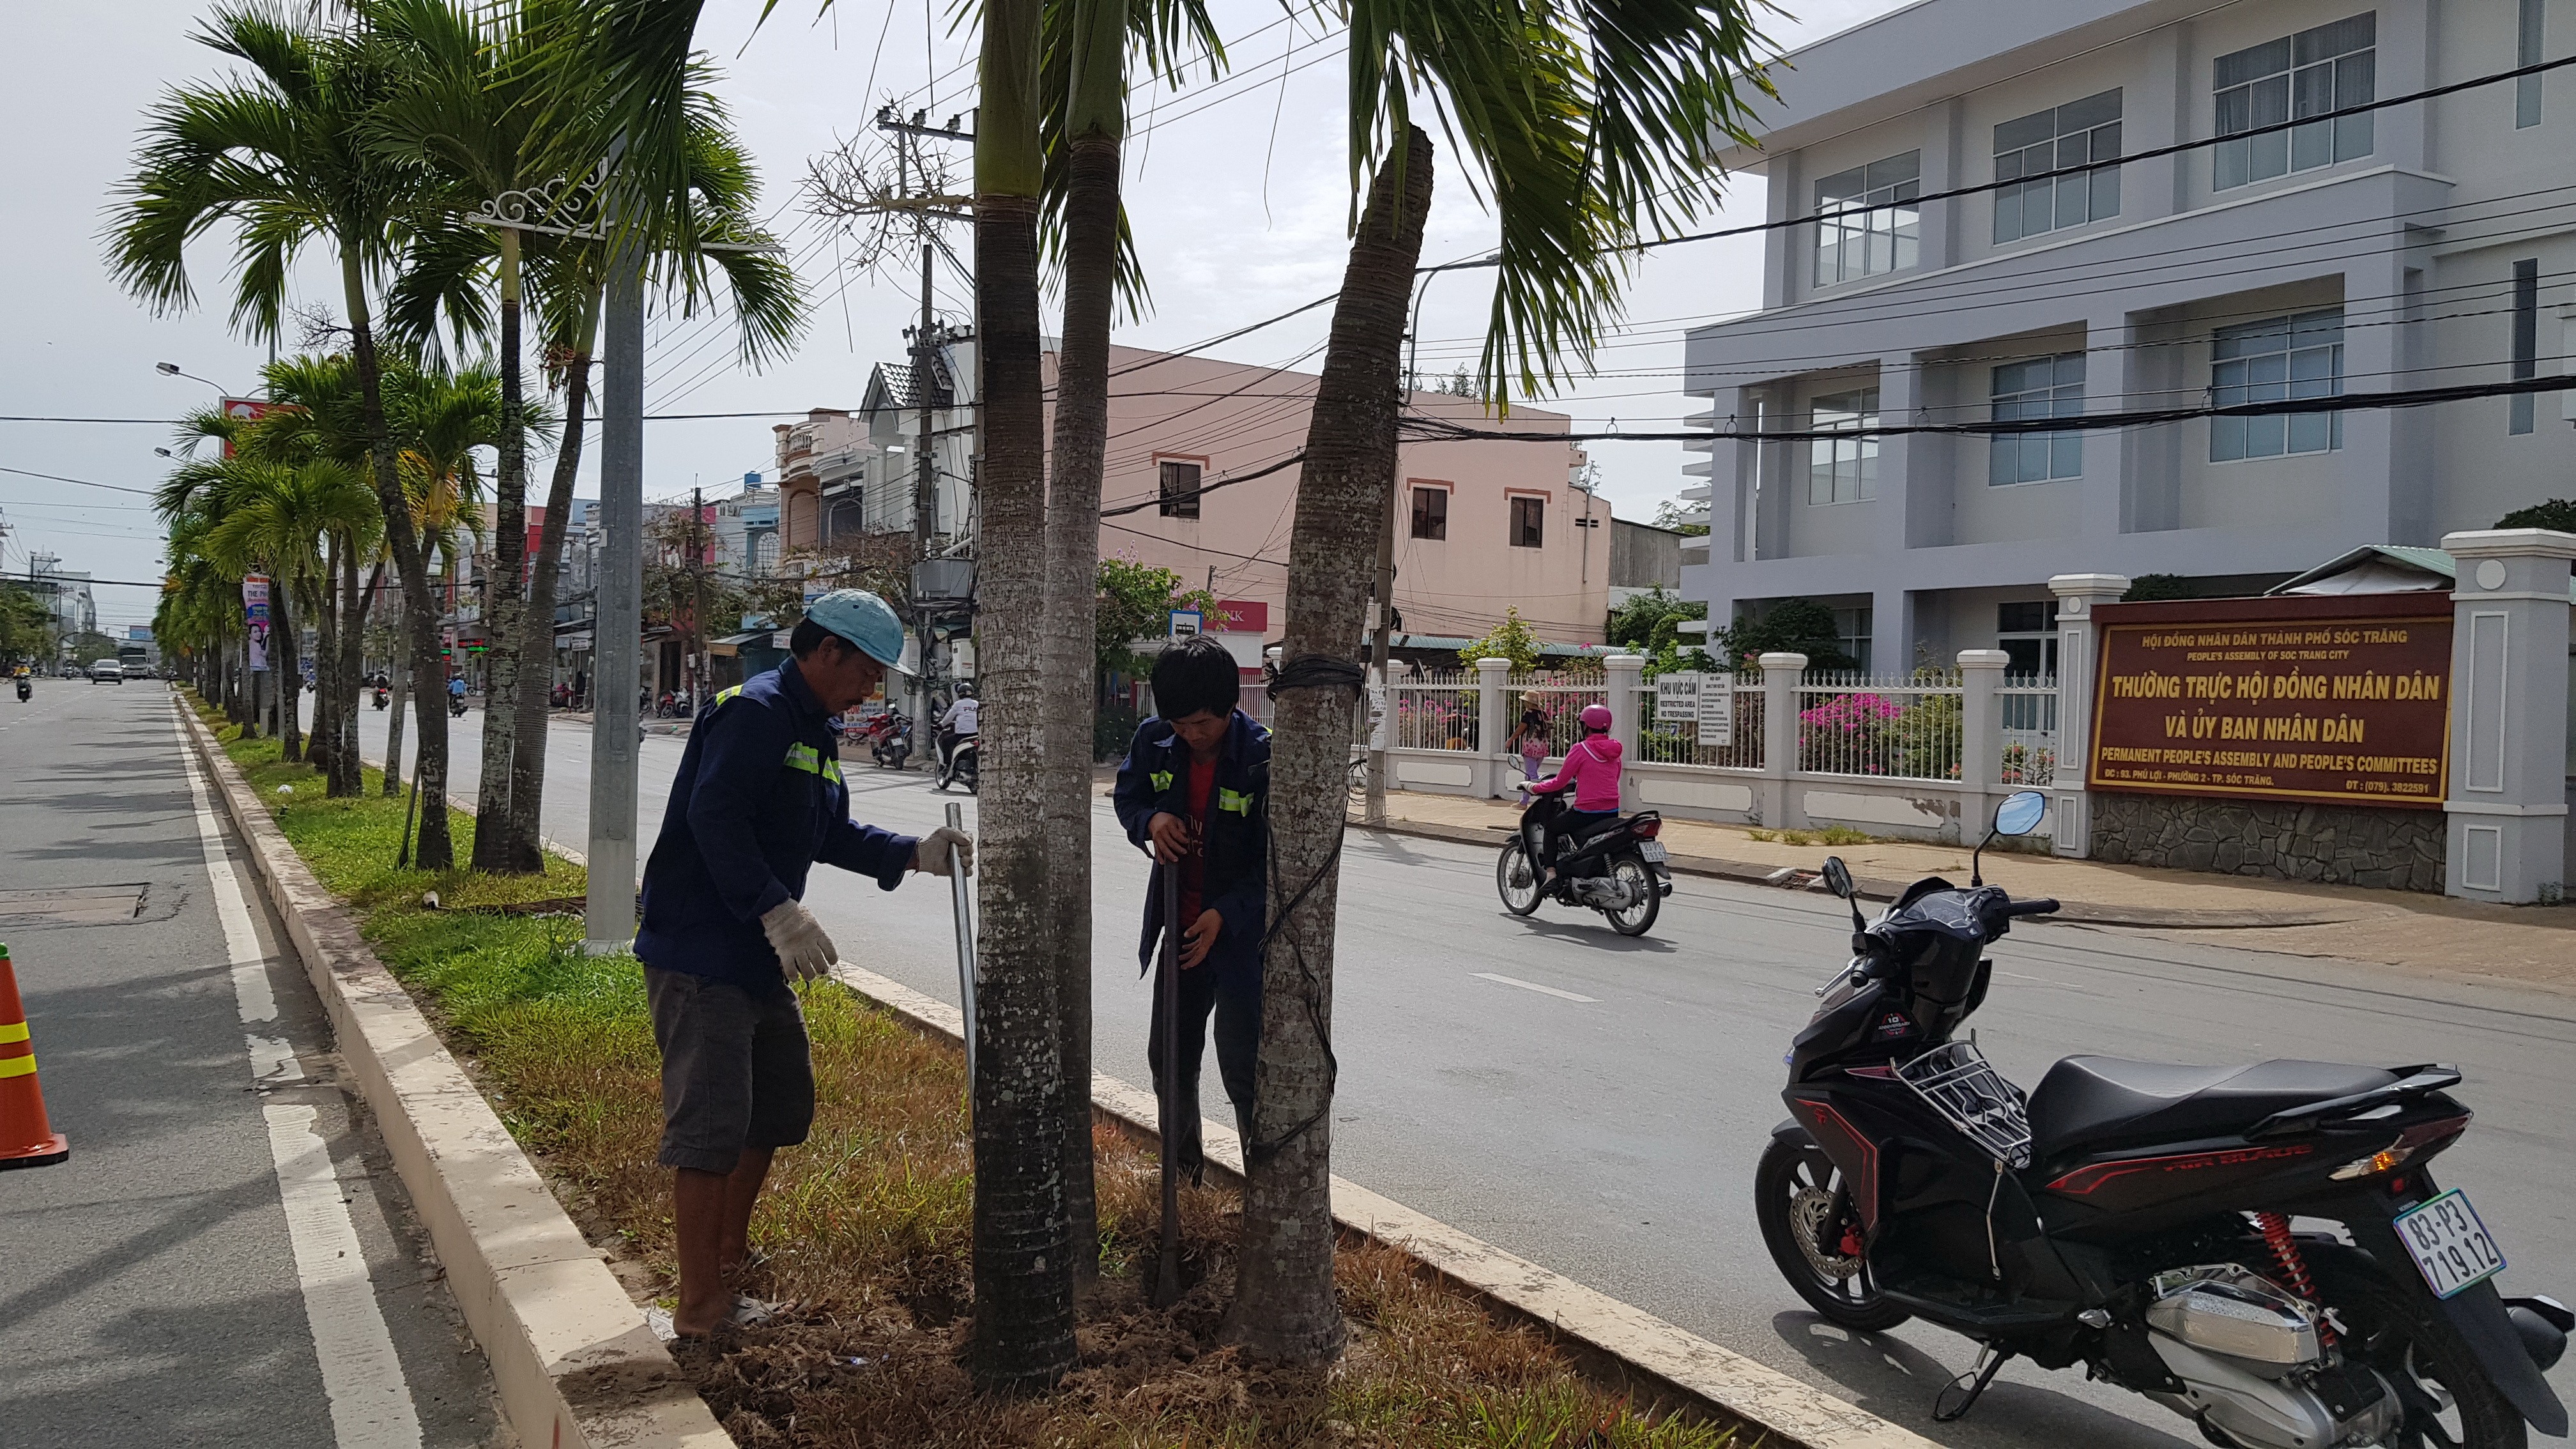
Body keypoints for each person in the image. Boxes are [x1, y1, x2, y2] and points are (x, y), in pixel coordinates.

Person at [634, 588, 970, 1338]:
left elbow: (830, 829)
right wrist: (776, 910)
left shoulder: (812, 731)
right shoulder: (755, 713)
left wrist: (912, 855)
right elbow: (712, 817)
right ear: (825, 652)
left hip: (757, 959)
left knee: (779, 1107)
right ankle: (699, 1306)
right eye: (867, 671)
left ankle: (728, 1253)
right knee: (712, 1126)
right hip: (704, 952)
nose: (872, 689)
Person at [1111, 636, 1267, 1181]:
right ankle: (1182, 1179)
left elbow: (1275, 865)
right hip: (1179, 934)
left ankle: (1262, 1193)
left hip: (1240, 944)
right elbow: (1126, 798)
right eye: (1179, 725)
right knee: (1170, 1061)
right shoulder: (1155, 741)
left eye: (1202, 724)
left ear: (1231, 706)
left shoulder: (1261, 757)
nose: (1190, 736)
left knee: (1243, 1069)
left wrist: (1224, 914)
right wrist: (1149, 822)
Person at [1525, 703, 1623, 884]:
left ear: (1585, 726)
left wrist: (1534, 787)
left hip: (1586, 812)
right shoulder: (1615, 751)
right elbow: (1613, 778)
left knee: (1553, 828)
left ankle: (1551, 875)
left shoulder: (1580, 749)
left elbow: (1559, 782)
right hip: (1612, 811)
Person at [1506, 691, 1550, 802]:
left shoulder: (1529, 714)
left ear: (1528, 702)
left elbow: (1519, 731)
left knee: (1532, 776)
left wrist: (1510, 740)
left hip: (1530, 748)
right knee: (1529, 776)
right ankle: (1523, 801)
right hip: (1542, 748)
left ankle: (1543, 800)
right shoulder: (1543, 714)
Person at [934, 682, 978, 770]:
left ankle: (948, 765)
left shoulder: (958, 704)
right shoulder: (977, 704)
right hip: (976, 734)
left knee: (945, 742)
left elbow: (948, 718)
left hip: (962, 734)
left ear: (960, 694)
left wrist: (942, 724)